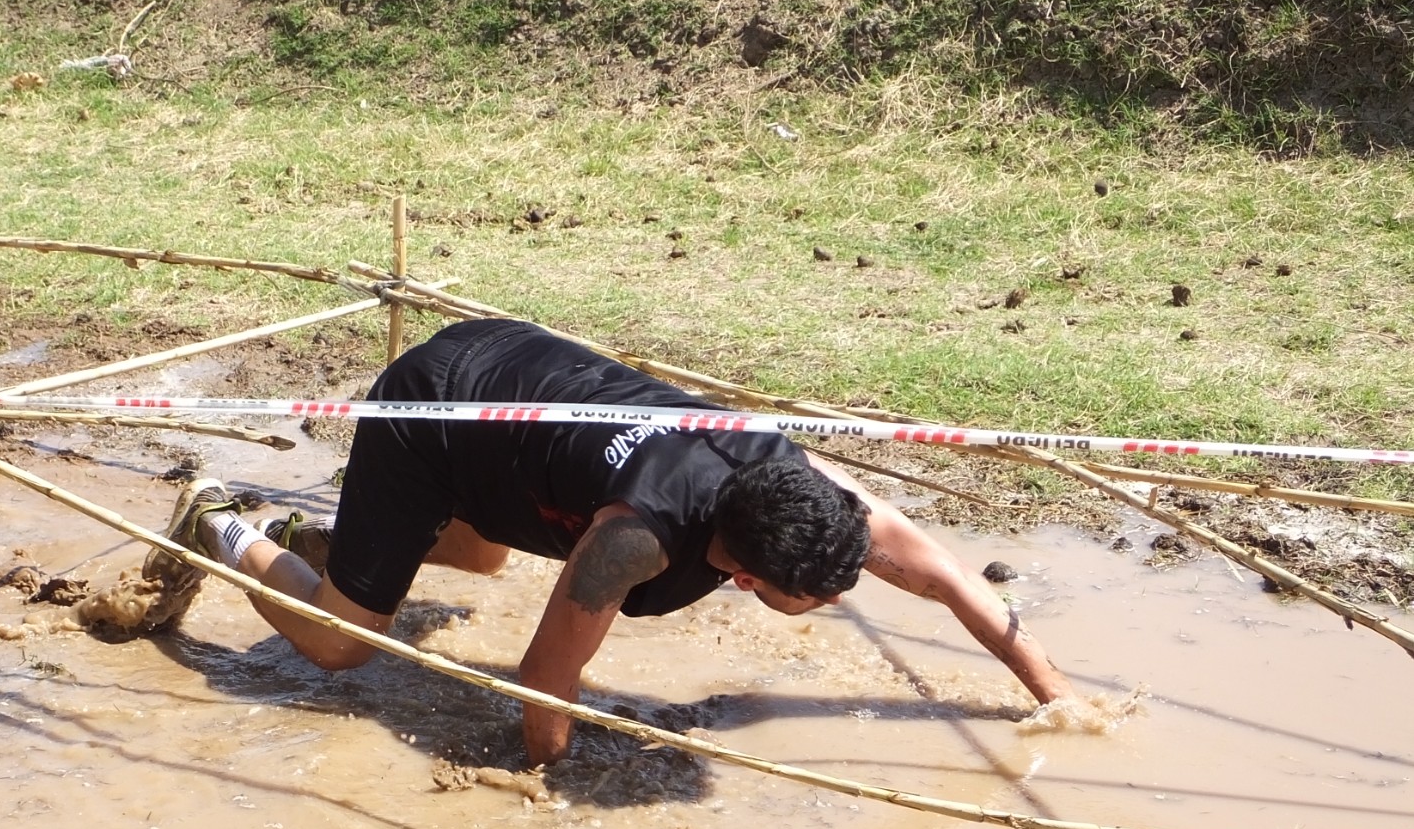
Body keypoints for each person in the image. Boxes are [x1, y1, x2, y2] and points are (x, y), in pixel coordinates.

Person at [150, 319, 1075, 765]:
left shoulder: (800, 490)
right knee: (343, 645)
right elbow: (544, 675)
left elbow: (946, 578)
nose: (842, 594)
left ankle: (340, 548)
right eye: (822, 595)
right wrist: (539, 781)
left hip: (521, 407)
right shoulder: (634, 541)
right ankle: (223, 525)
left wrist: (1058, 699)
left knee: (480, 560)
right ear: (746, 578)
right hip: (440, 409)